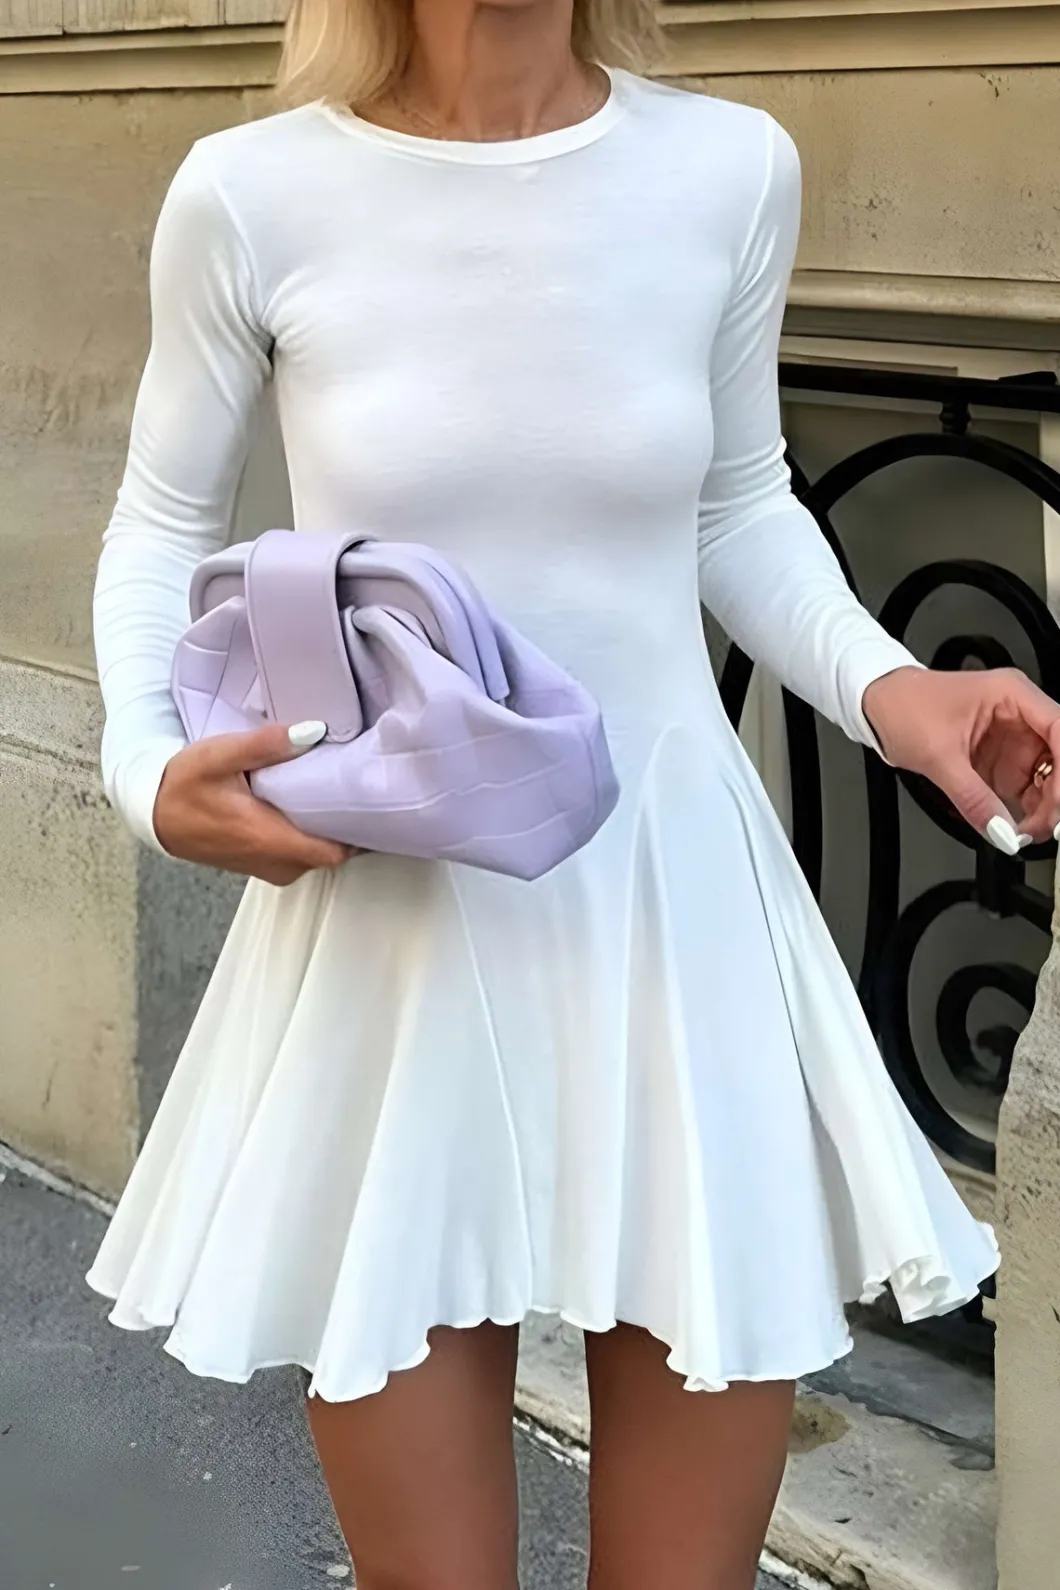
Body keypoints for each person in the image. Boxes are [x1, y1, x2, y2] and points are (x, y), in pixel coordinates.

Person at [87, 2, 1051, 1586]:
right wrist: (144, 772)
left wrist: (897, 690)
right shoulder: (251, 194)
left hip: (672, 901)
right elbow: (158, 522)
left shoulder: (731, 169)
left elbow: (737, 504)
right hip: (393, 911)